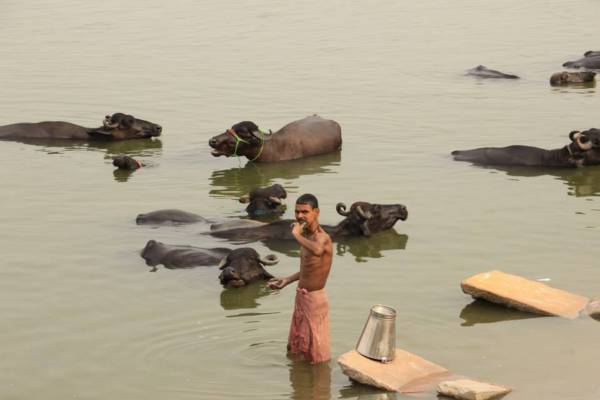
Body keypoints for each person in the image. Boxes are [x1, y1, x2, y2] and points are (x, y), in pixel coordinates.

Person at [268, 193, 333, 364]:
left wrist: (296, 235)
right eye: (297, 212)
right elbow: (307, 269)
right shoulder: (307, 237)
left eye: (305, 212)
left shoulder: (322, 238)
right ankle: (300, 383)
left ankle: (319, 384)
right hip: (302, 297)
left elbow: (318, 250)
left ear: (316, 212)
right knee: (298, 347)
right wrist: (287, 280)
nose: (300, 216)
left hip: (314, 299)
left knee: (316, 351)